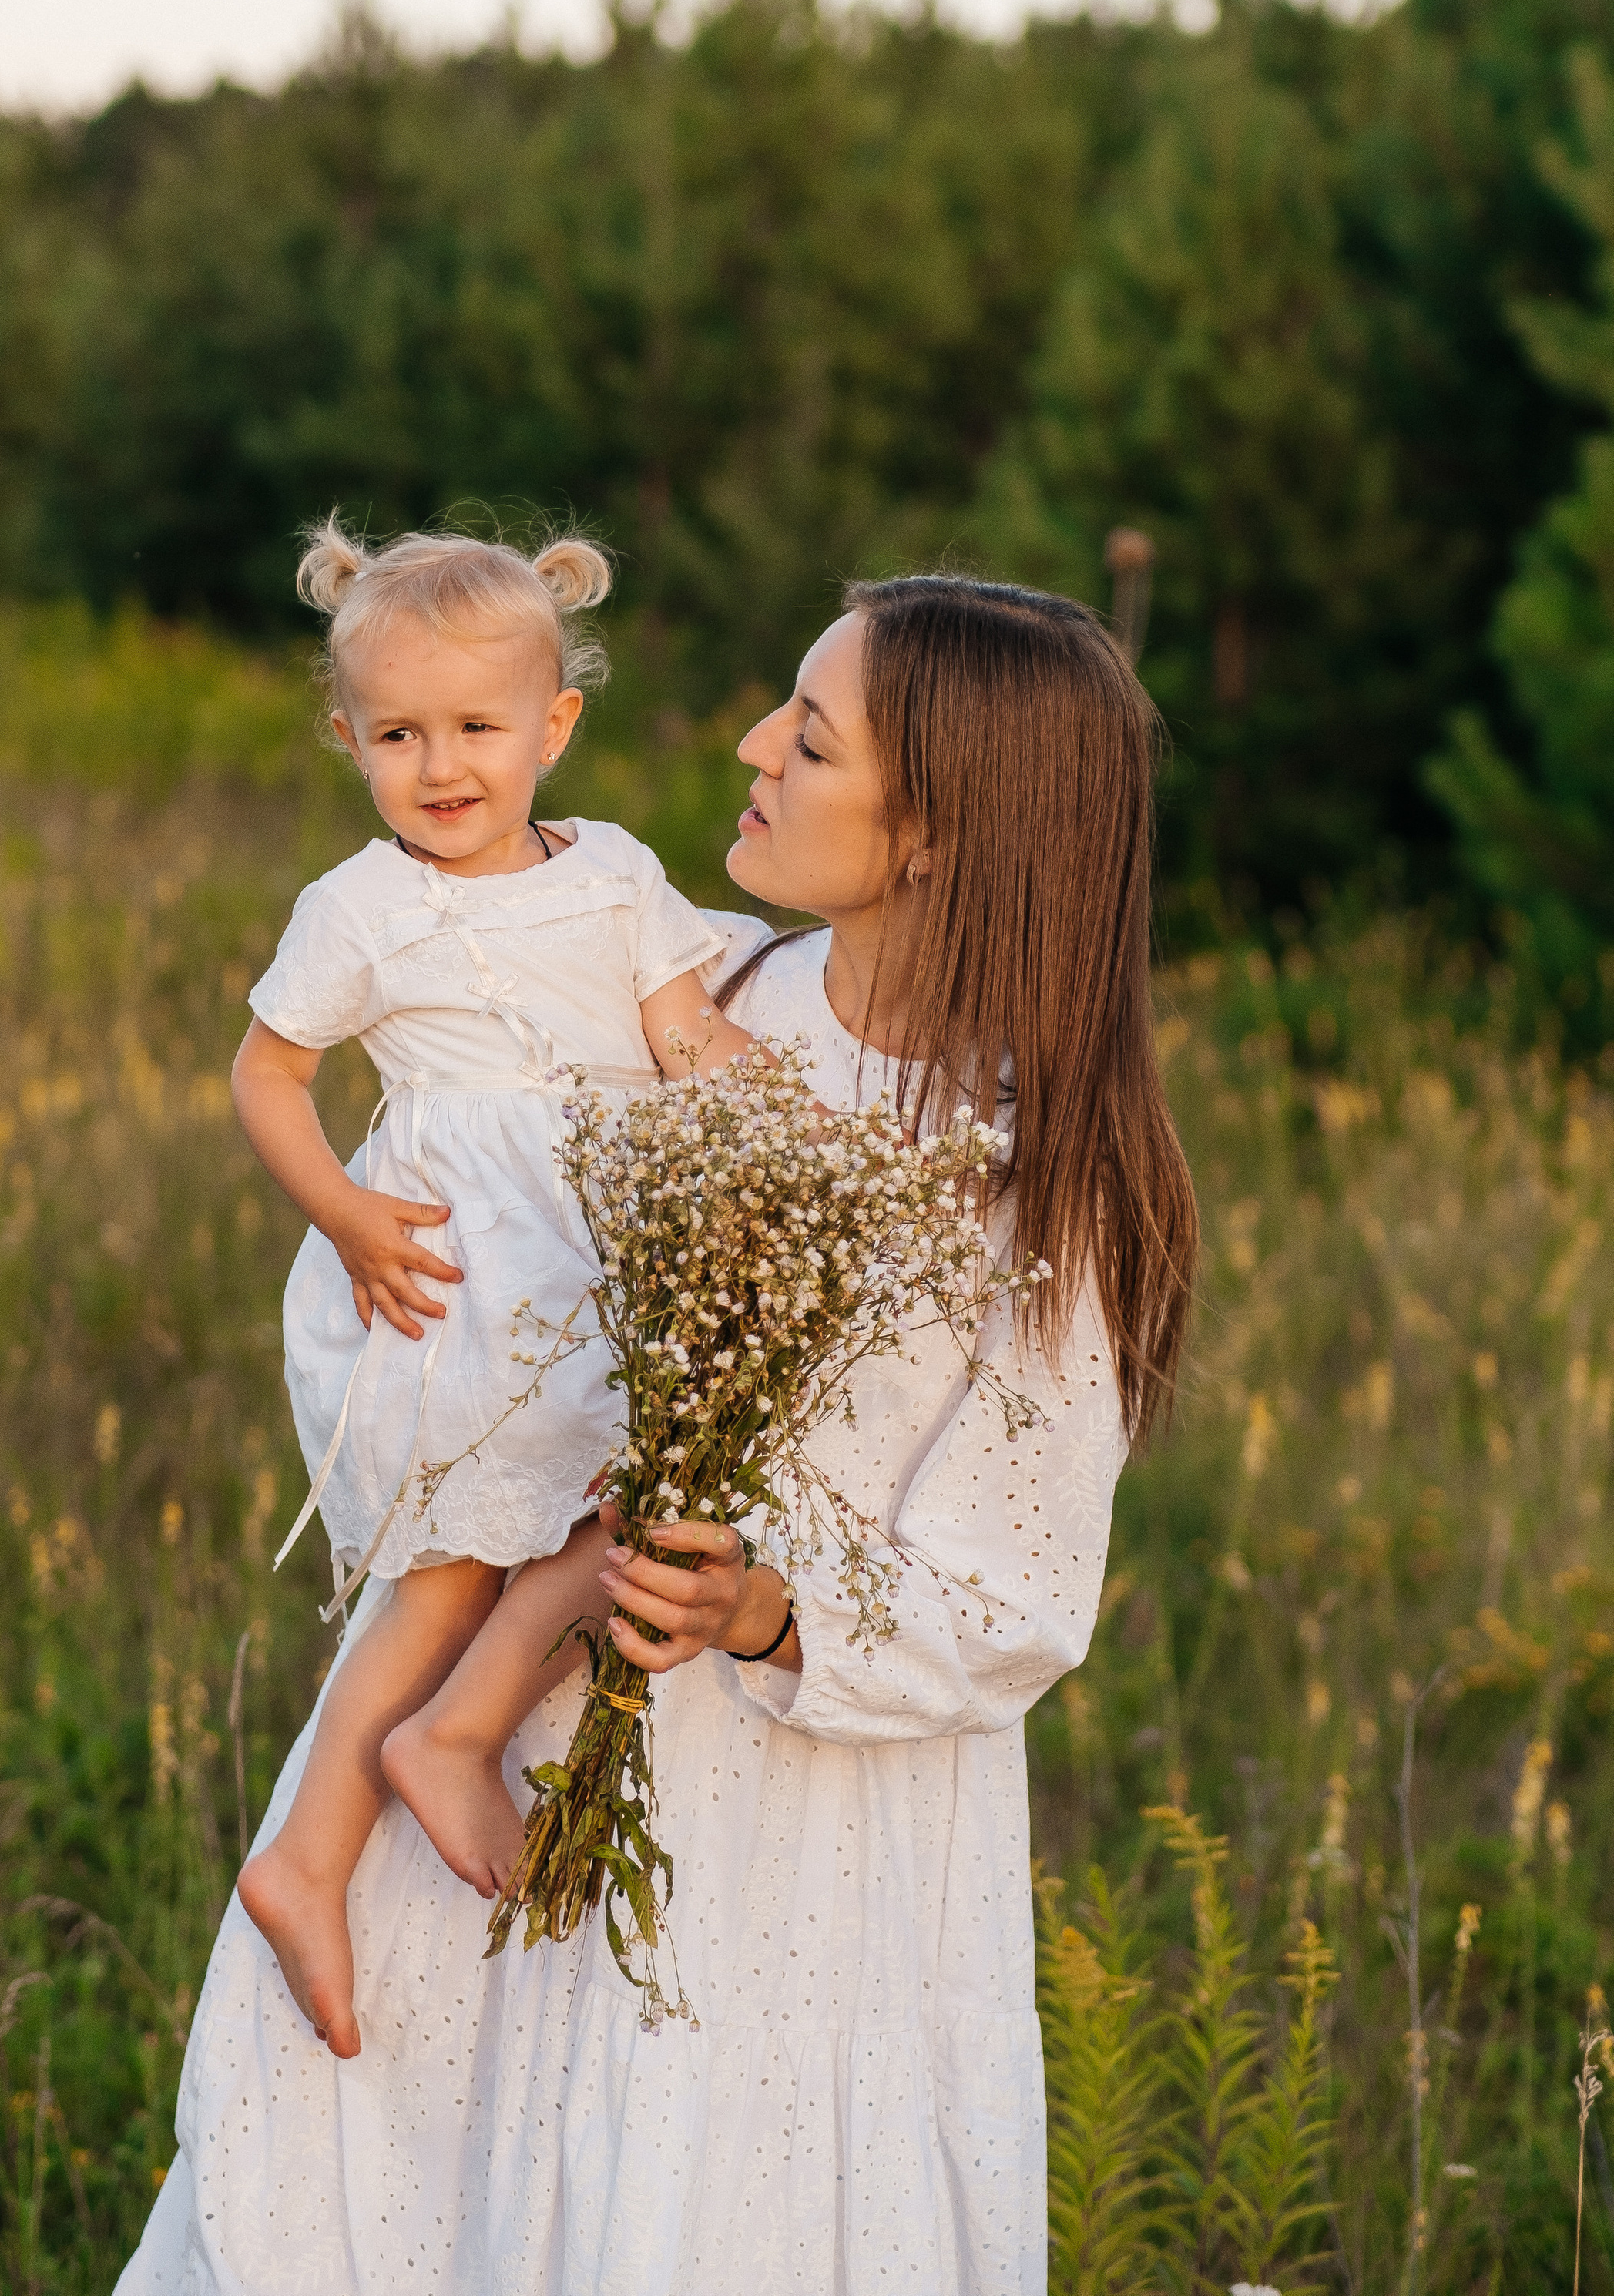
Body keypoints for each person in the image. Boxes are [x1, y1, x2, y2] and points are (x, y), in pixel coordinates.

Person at [120, 570, 1196, 2296]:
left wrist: (765, 1606)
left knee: (688, 2220)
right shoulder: (691, 1006)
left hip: (786, 1861)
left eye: (814, 736)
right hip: (491, 1770)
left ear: (934, 831)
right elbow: (470, 1209)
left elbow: (1019, 1601)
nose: (754, 746)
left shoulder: (1036, 1183)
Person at [231, 521, 758, 2062]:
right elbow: (267, 1077)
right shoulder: (358, 907)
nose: (437, 765)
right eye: (396, 734)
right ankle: (315, 1853)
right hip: (451, 1264)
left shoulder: (614, 876)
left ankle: (435, 1746)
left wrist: (797, 1130)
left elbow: (684, 1044)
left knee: (611, 1515)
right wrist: (338, 1210)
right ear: (348, 739)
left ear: (554, 726)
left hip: (597, 1255)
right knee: (453, 1561)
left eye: (473, 728)